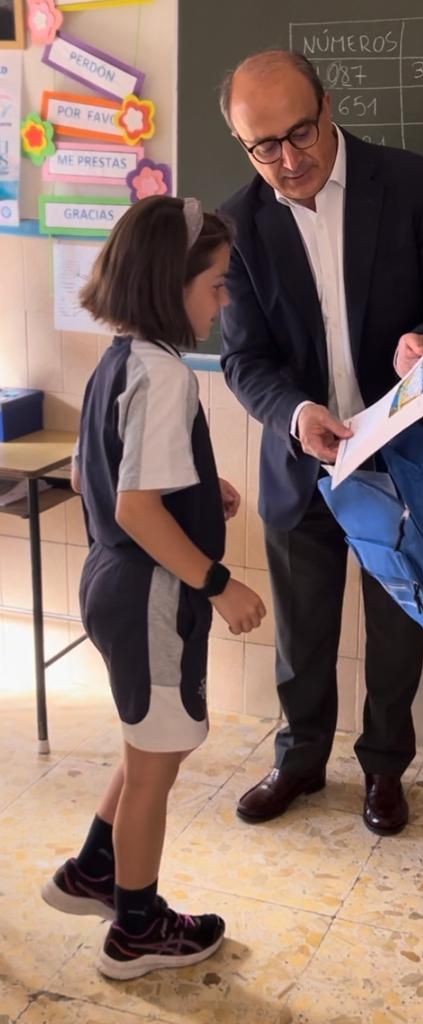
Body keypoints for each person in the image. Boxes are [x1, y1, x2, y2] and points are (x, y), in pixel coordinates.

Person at [219, 51, 423, 836]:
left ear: (328, 106)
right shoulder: (236, 225)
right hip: (302, 459)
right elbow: (243, 359)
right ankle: (299, 761)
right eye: (263, 146)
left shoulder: (409, 185)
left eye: (300, 133)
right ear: (242, 143)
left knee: (398, 626)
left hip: (401, 458)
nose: (288, 159)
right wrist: (296, 412)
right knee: (301, 634)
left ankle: (383, 768)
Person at [41, 195, 266, 979]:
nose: (224, 301)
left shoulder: (120, 359)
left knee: (148, 748)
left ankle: (93, 872)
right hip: (152, 595)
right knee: (156, 766)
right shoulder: (167, 376)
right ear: (172, 285)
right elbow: (138, 508)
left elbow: (92, 474)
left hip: (109, 581)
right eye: (215, 284)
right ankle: (135, 929)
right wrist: (219, 582)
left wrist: (199, 486)